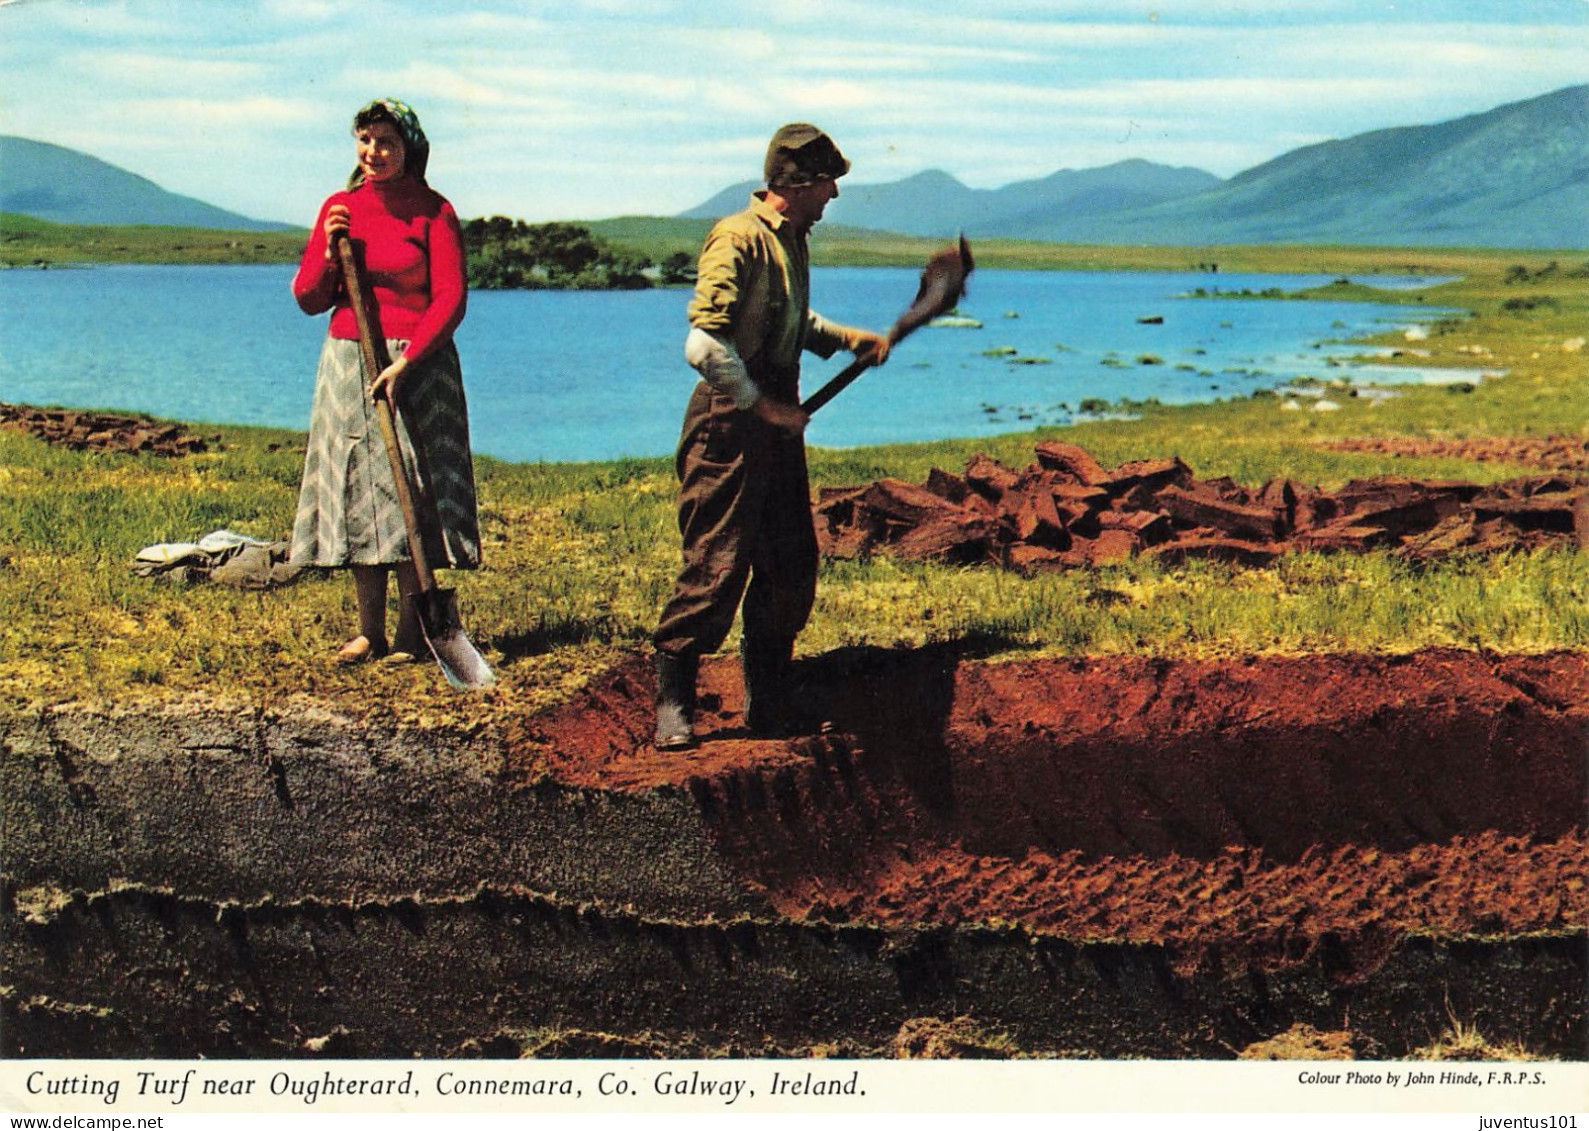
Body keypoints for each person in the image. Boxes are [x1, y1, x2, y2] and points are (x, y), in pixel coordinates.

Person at [651, 123, 891, 748]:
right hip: (729, 423)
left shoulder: (791, 240)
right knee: (718, 564)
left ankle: (768, 700)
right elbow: (704, 344)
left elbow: (789, 317)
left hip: (774, 416)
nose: (835, 195)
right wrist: (764, 408)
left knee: (789, 564)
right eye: (829, 183)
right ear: (801, 183)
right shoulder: (737, 239)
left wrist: (845, 340)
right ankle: (675, 700)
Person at [289, 98, 480, 664]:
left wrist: (409, 360)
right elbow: (307, 297)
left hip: (418, 366)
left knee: (410, 496)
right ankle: (368, 631)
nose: (374, 153)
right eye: (366, 140)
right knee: (359, 495)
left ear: (410, 149)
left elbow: (450, 296)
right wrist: (329, 250)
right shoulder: (339, 208)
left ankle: (410, 634)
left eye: (387, 143)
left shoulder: (434, 211)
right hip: (350, 360)